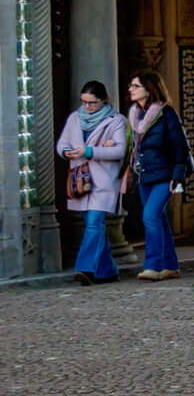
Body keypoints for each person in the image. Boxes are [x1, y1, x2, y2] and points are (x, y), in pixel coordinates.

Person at [56, 80, 131, 286]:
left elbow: (120, 150)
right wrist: (66, 152)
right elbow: (62, 143)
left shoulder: (116, 120)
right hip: (81, 179)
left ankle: (85, 268)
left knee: (94, 223)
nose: (87, 106)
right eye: (84, 102)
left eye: (92, 102)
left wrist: (89, 151)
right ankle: (107, 271)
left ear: (103, 100)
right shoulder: (74, 118)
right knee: (94, 225)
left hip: (104, 179)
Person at [126, 71, 191, 282]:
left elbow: (180, 147)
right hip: (144, 176)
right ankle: (170, 266)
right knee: (159, 220)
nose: (130, 89)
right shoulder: (134, 115)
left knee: (150, 216)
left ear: (149, 89)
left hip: (165, 175)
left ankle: (153, 266)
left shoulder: (166, 114)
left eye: (135, 86)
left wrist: (177, 176)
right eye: (131, 85)